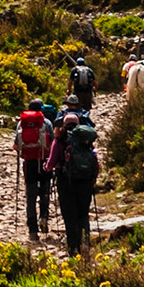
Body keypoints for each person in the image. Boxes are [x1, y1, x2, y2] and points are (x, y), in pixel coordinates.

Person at [46, 110, 100, 257]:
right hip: (85, 183)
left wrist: (48, 167)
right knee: (83, 215)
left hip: (66, 183)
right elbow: (94, 160)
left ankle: (73, 251)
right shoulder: (85, 139)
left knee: (70, 218)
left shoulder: (60, 140)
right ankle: (85, 247)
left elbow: (51, 164)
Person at [14, 98, 53, 240]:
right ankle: (43, 217)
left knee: (30, 196)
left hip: (29, 163)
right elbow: (52, 142)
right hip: (43, 162)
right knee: (45, 191)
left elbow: (16, 145)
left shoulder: (21, 123)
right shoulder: (46, 122)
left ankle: (32, 230)